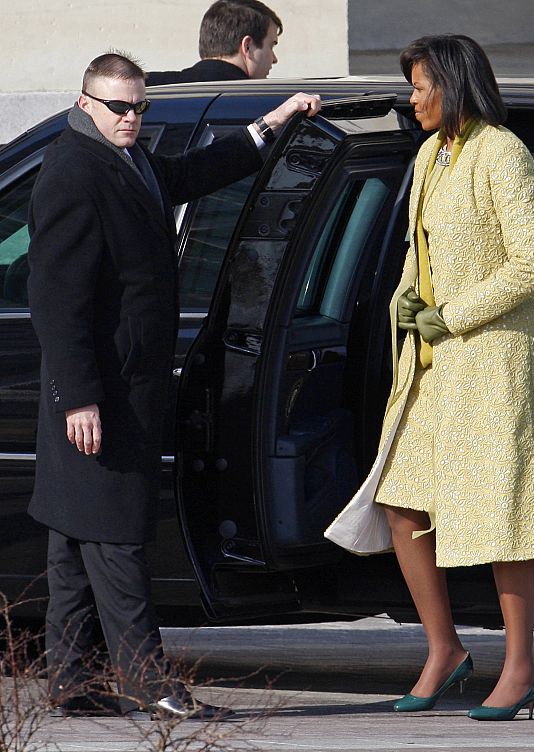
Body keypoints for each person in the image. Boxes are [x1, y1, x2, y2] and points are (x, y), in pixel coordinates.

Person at [27, 51, 320, 719]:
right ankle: (150, 683)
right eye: (118, 108)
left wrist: (267, 125)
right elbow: (57, 298)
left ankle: (72, 682)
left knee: (76, 538)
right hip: (97, 393)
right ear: (85, 105)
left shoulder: (125, 157)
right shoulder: (73, 173)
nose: (131, 119)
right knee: (116, 536)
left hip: (119, 386)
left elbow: (186, 175)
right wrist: (79, 397)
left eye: (139, 108)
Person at [327, 34, 534, 721]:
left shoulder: (501, 152)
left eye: (420, 86)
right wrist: (405, 294)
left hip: (495, 363)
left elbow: (531, 263)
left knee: (501, 514)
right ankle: (445, 650)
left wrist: (449, 314)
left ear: (452, 85)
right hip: (431, 365)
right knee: (401, 504)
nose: (412, 97)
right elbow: (421, 249)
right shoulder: (431, 153)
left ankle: (519, 671)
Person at [147, 0, 282, 85]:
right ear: (247, 46)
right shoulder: (265, 108)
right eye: (271, 46)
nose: (274, 59)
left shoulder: (144, 92)